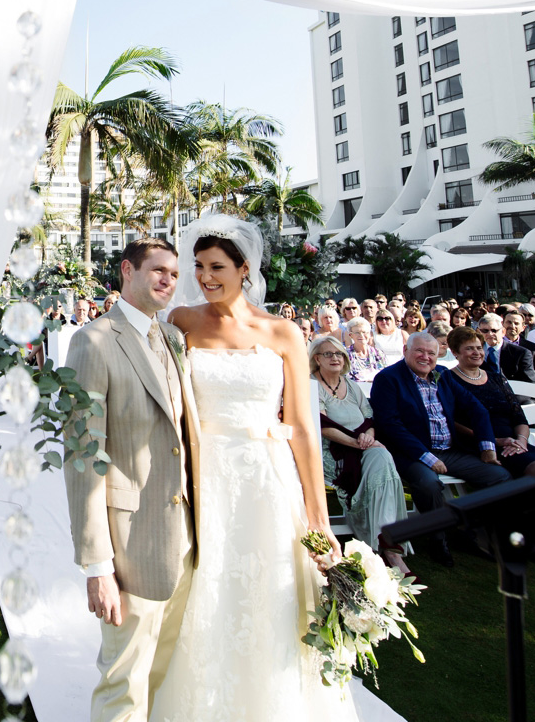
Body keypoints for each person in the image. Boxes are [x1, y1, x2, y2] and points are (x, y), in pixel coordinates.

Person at [142, 220, 354, 720]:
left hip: (266, 479)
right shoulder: (181, 321)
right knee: (207, 589)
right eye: (199, 266)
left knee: (269, 589)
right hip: (204, 475)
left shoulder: (283, 333)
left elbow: (302, 429)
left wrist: (319, 519)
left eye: (217, 267)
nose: (205, 277)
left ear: (245, 269)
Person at [64, 236, 199, 722]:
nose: (168, 280)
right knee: (123, 681)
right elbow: (83, 455)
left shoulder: (174, 338)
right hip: (129, 543)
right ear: (127, 270)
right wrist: (97, 565)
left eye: (174, 274)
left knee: (163, 673)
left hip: (184, 539)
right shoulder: (93, 341)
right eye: (158, 270)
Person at [370, 332, 510, 567]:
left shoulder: (443, 375)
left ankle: (471, 531)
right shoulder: (388, 378)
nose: (425, 357)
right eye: (419, 351)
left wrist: (487, 448)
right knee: (428, 484)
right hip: (410, 453)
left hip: (448, 450)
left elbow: (477, 409)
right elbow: (390, 425)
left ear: (438, 356)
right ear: (405, 350)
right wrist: (427, 457)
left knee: (499, 476)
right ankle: (438, 538)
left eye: (431, 353)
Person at [309, 335, 408, 573]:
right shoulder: (311, 385)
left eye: (339, 354)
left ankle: (386, 541)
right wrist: (357, 443)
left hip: (361, 446)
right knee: (379, 463)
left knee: (383, 458)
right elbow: (322, 425)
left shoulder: (351, 385)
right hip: (332, 453)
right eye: (328, 354)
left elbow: (368, 417)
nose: (335, 358)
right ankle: (387, 547)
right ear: (317, 359)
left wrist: (369, 437)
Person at [446, 328, 535, 480]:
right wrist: (495, 441)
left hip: (513, 442)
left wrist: (521, 441)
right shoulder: (448, 379)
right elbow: (451, 421)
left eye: (479, 348)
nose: (476, 353)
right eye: (469, 348)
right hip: (479, 443)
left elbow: (518, 416)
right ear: (455, 352)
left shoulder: (496, 378)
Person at [477, 312, 535, 385]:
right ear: (479, 332)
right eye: (485, 331)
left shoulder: (520, 353)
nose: (490, 334)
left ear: (503, 332)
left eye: (494, 330)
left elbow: (529, 384)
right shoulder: (473, 351)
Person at [342, 319, 385, 383]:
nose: (361, 335)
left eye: (364, 332)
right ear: (350, 335)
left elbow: (384, 374)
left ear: (369, 334)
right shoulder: (345, 355)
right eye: (357, 333)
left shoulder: (378, 353)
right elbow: (346, 377)